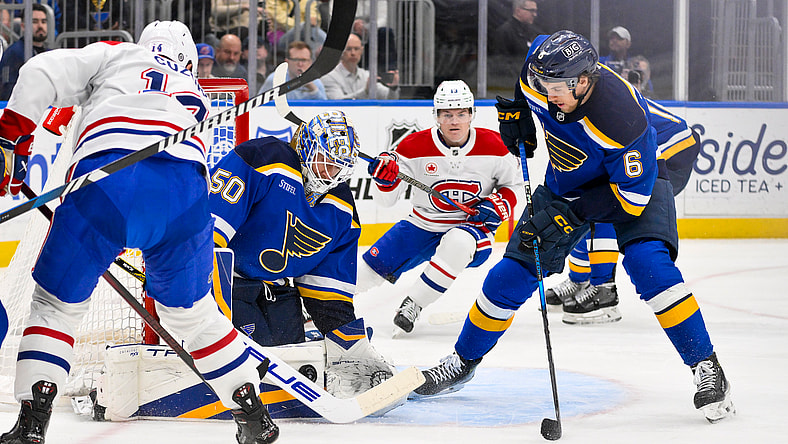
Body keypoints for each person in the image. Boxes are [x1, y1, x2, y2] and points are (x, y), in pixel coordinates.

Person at [412, 30, 735, 425]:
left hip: (637, 182)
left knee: (649, 266)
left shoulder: (621, 114)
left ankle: (706, 365)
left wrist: (577, 212)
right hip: (569, 177)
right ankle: (462, 361)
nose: (547, 94)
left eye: (556, 86)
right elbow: (529, 66)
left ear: (584, 81)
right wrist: (515, 111)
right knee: (511, 272)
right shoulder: (541, 72)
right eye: (541, 83)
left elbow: (630, 199)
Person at [0, 21, 278, 444]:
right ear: (188, 60)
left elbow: (38, 72)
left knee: (55, 308)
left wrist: (11, 140)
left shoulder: (119, 54)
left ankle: (33, 422)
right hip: (184, 196)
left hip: (108, 183)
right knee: (196, 317)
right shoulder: (194, 91)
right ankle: (252, 412)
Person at [209, 110, 396, 399]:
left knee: (289, 361)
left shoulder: (342, 210)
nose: (330, 172)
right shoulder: (264, 158)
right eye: (326, 160)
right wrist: (203, 309)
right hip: (230, 284)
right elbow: (207, 239)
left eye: (339, 166)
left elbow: (328, 295)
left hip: (279, 291)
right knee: (248, 360)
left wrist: (350, 348)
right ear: (307, 148)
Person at [356, 80, 522, 334]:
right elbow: (386, 201)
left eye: (460, 114)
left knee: (458, 242)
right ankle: (319, 303)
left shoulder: (496, 146)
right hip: (422, 223)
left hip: (472, 229)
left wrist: (499, 204)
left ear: (471, 114)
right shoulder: (412, 147)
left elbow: (514, 186)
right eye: (447, 114)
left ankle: (414, 304)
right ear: (436, 116)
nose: (454, 121)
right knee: (366, 271)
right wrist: (384, 180)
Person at [546, 98, 701, 325]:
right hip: (651, 146)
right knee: (583, 199)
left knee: (607, 203)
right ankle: (580, 280)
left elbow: (676, 135)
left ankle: (604, 292)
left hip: (673, 152)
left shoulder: (596, 106)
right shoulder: (571, 101)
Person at [322, 33, 399, 100]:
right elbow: (337, 102)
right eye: (348, 49)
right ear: (340, 52)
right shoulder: (329, 77)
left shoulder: (366, 75)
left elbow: (389, 99)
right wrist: (365, 91)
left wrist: (393, 88)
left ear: (361, 51)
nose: (353, 53)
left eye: (356, 49)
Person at [0, 3, 49, 101]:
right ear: (23, 26)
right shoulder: (14, 53)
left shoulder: (49, 53)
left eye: (43, 22)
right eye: (34, 21)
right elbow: (7, 91)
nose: (40, 26)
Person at [258, 40, 326, 100]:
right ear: (287, 62)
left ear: (310, 62)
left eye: (304, 60)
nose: (300, 64)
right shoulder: (274, 80)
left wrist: (313, 89)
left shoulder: (316, 83)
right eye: (296, 60)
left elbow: (325, 109)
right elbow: (260, 106)